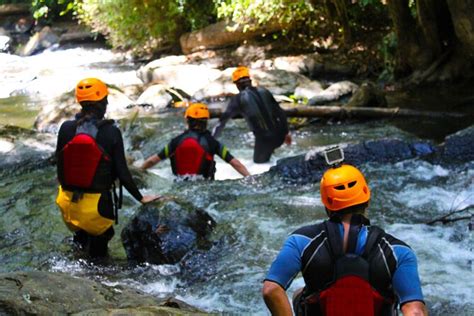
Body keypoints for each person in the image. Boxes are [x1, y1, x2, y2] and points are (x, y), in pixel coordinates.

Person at [262, 164, 427, 316]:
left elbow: (271, 290)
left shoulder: (301, 240)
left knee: (299, 293)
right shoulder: (398, 250)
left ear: (327, 206)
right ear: (367, 201)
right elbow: (415, 311)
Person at [56, 78, 159, 258]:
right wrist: (141, 198)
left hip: (67, 204)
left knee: (80, 239)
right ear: (103, 103)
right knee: (101, 248)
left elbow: (59, 164)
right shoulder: (111, 132)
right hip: (97, 207)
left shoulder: (65, 128)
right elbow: (122, 172)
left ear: (80, 102)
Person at [141, 102, 250, 179]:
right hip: (204, 186)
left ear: (188, 120)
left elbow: (152, 161)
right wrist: (250, 178)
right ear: (206, 121)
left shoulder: (176, 141)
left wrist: (139, 171)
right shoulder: (212, 143)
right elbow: (235, 163)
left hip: (180, 185)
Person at [212, 66, 291, 163]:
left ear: (237, 84)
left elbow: (222, 122)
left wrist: (211, 140)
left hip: (264, 139)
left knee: (259, 165)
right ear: (250, 80)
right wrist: (287, 133)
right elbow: (280, 113)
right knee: (271, 159)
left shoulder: (238, 99)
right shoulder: (264, 91)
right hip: (280, 135)